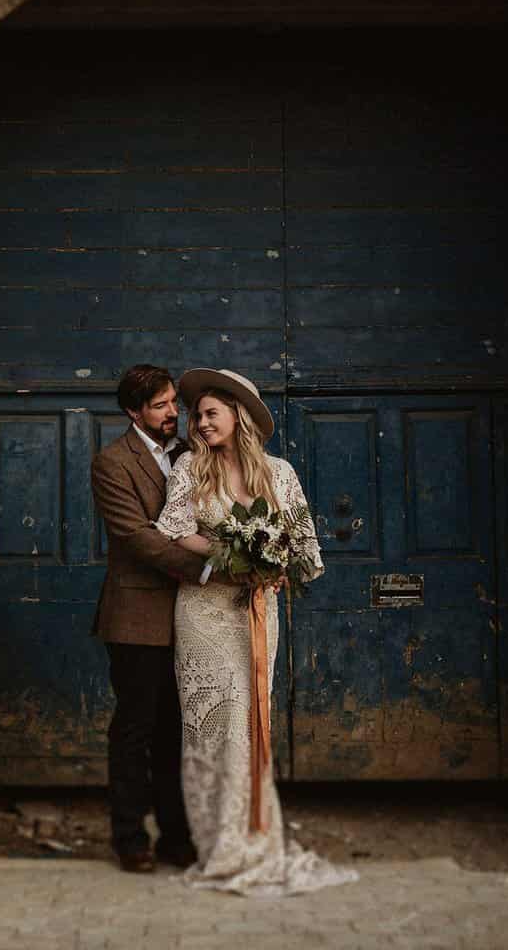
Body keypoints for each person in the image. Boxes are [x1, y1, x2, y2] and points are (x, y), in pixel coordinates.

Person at [155, 367, 358, 897]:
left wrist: (272, 563)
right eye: (195, 415)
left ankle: (256, 842)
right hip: (203, 613)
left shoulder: (279, 473)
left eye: (209, 414)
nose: (198, 423)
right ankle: (219, 846)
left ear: (237, 417)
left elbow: (305, 549)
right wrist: (231, 553)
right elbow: (171, 532)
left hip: (256, 615)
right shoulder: (190, 472)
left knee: (250, 725)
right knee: (212, 727)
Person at [89, 363, 212, 873]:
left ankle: (177, 838)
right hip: (136, 617)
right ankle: (130, 838)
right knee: (135, 729)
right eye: (160, 405)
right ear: (133, 411)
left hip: (191, 616)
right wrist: (209, 568)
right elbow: (137, 537)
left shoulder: (192, 454)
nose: (172, 414)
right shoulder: (112, 463)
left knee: (176, 732)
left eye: (173, 404)